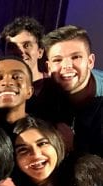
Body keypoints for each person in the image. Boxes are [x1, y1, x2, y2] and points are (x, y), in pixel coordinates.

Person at [0, 17, 73, 128]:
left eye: (27, 45)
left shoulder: (57, 89)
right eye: (12, 47)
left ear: (40, 52)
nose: (20, 52)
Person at [43, 25, 103, 156]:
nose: (67, 66)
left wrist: (76, 144)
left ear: (90, 61)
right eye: (57, 60)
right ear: (48, 67)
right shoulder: (46, 93)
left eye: (76, 57)